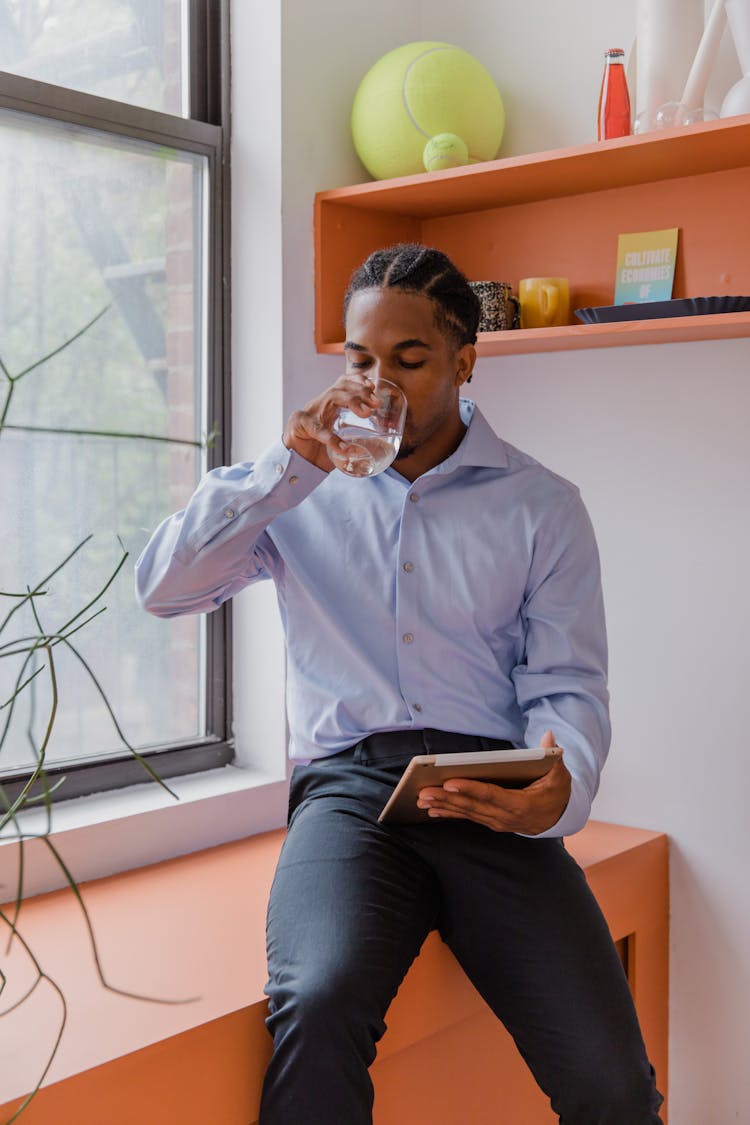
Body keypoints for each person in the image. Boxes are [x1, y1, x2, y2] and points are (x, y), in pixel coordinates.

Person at [135, 243, 664, 1123]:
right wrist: (283, 469)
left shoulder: (542, 505)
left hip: (489, 793)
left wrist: (558, 788)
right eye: (358, 358)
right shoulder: (295, 491)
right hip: (349, 796)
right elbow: (164, 590)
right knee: (318, 996)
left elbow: (567, 684)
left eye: (409, 360)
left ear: (464, 362)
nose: (377, 383)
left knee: (611, 1078)